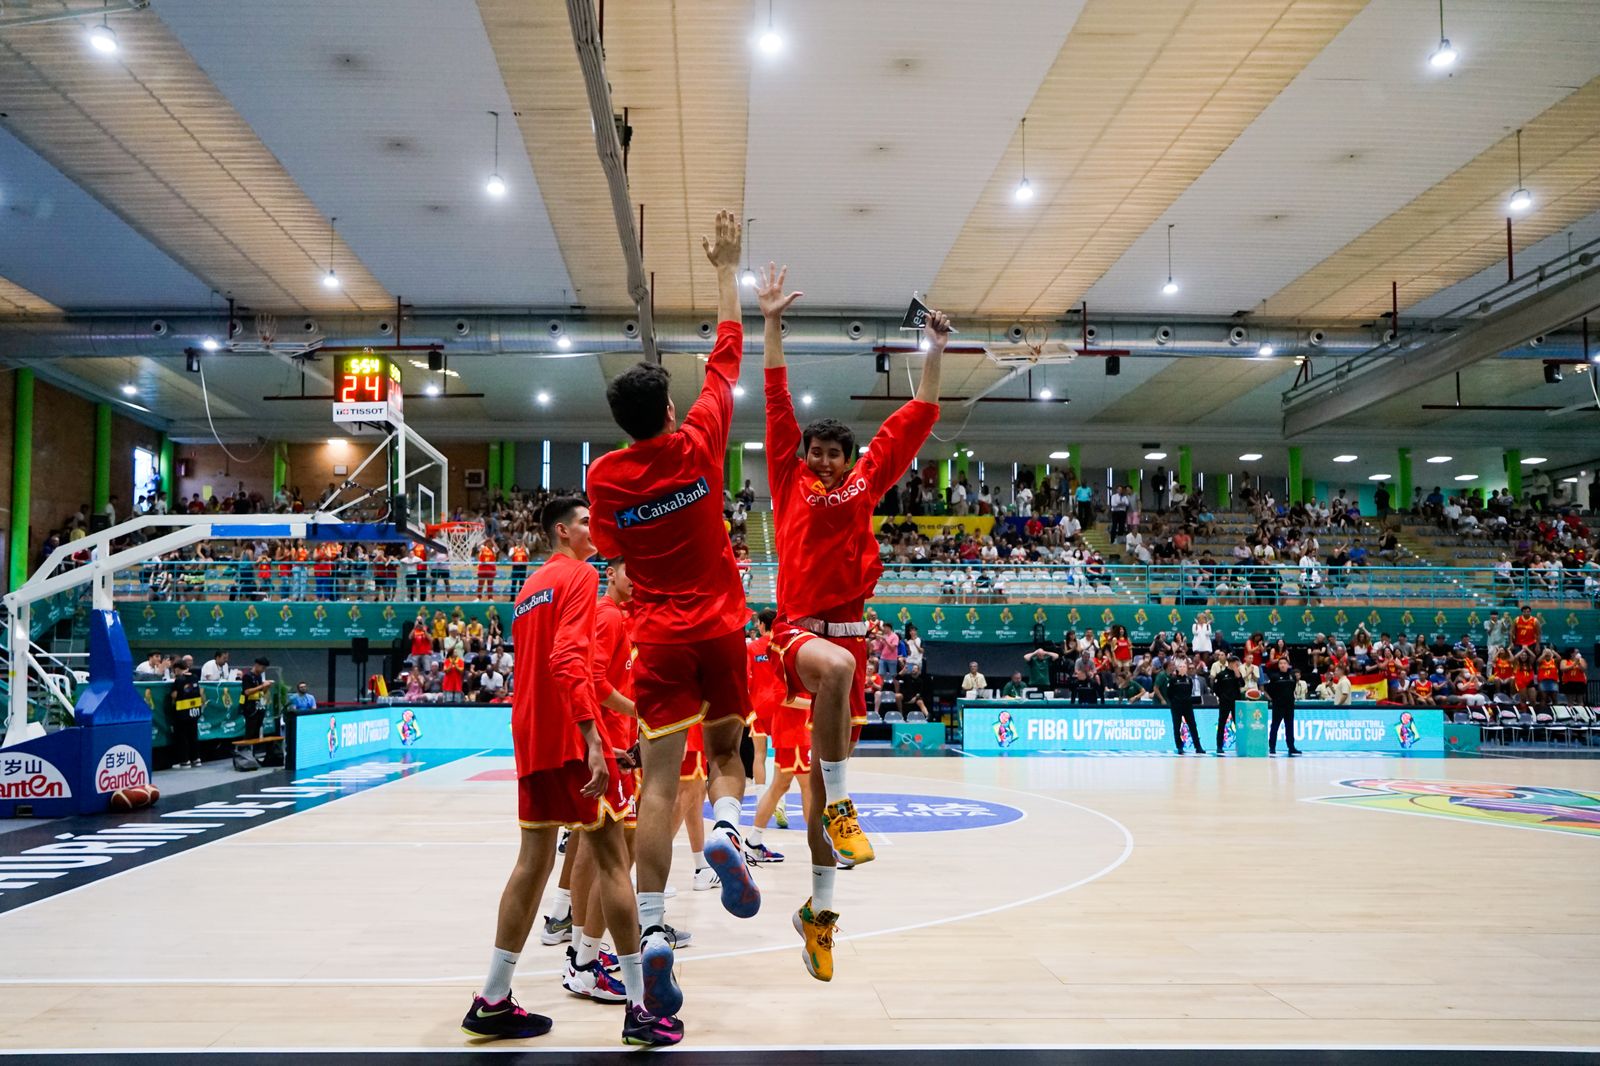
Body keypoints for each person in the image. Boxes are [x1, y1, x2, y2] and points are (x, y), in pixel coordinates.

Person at [584, 212, 760, 1012]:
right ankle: (727, 831)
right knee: (726, 757)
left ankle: (651, 933)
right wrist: (726, 266)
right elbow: (730, 346)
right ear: (669, 408)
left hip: (656, 638)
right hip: (722, 625)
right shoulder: (700, 438)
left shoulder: (605, 480)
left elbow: (614, 556)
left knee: (657, 791)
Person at [756, 260, 950, 982]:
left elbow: (921, 415)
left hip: (851, 645)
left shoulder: (870, 478)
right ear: (804, 456)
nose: (830, 462)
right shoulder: (787, 477)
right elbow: (775, 395)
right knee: (831, 687)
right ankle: (845, 807)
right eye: (820, 453)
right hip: (799, 635)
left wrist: (933, 348)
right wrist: (771, 320)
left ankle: (818, 917)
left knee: (812, 802)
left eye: (838, 454)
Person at [460, 497, 680, 1048]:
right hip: (568, 740)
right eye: (584, 521)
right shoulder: (580, 575)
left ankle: (492, 998)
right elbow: (567, 662)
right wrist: (593, 740)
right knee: (612, 861)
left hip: (530, 739)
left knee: (532, 864)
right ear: (562, 531)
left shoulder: (529, 586)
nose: (592, 528)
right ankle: (640, 1008)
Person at [1159, 659, 1203, 754]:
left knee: (1193, 726)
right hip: (1176, 707)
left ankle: (1198, 747)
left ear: (1186, 669)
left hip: (1188, 706)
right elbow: (1169, 693)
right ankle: (1179, 747)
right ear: (1177, 669)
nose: (1182, 668)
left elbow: (1190, 691)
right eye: (1181, 667)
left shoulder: (1189, 680)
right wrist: (1175, 702)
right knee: (1177, 727)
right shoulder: (1173, 680)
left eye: (1184, 666)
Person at [166, 658, 203, 768]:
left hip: (182, 713)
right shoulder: (195, 677)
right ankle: (196, 759)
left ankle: (184, 761)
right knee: (193, 736)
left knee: (182, 737)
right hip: (194, 711)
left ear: (177, 669)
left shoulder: (179, 680)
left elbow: (174, 695)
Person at [1263, 658, 1301, 756]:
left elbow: (1292, 688)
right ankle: (1272, 747)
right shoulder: (1275, 677)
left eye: (1284, 663)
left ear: (1288, 665)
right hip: (1278, 706)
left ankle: (1291, 747)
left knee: (1290, 726)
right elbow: (1269, 689)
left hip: (1289, 706)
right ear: (1278, 665)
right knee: (1275, 726)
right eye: (1281, 663)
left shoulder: (1292, 676)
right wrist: (1275, 699)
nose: (1283, 665)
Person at [1211, 655, 1243, 755]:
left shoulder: (1237, 674)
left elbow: (1242, 684)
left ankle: (1241, 746)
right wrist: (1222, 697)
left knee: (1239, 724)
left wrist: (1238, 675)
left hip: (1236, 703)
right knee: (1222, 724)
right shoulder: (1221, 674)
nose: (1237, 665)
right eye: (1235, 663)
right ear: (1230, 663)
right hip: (1225, 702)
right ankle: (1219, 746)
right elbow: (1215, 688)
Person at [240, 658, 273, 740]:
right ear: (257, 665)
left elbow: (261, 692)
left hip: (258, 706)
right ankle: (246, 748)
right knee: (250, 730)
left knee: (257, 730)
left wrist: (266, 687)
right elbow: (247, 692)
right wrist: (262, 686)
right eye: (263, 668)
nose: (263, 670)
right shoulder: (247, 676)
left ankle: (255, 750)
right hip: (249, 707)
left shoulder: (259, 676)